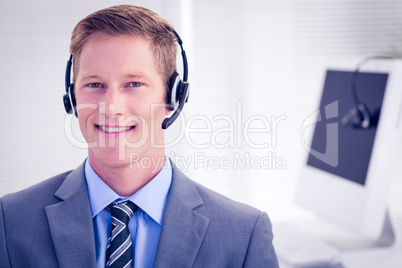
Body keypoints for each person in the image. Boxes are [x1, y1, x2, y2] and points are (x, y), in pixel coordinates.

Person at [0, 5, 279, 268]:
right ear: (72, 97)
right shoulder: (10, 221)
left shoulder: (244, 235)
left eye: (134, 84)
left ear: (173, 98)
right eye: (94, 84)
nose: (111, 107)